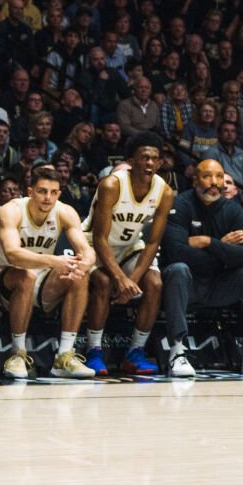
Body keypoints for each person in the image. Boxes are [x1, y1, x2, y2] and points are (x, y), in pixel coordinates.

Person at [161, 158, 243, 378]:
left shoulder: (233, 210)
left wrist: (208, 242)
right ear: (195, 179)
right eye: (207, 176)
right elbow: (176, 252)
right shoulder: (180, 204)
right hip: (189, 284)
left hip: (220, 284)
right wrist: (224, 251)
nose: (214, 182)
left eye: (219, 177)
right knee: (177, 268)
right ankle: (177, 352)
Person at [0, 164, 97, 380]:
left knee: (79, 273)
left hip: (41, 279)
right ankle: (18, 354)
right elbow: (13, 254)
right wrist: (53, 261)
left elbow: (87, 251)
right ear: (30, 191)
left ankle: (64, 356)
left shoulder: (65, 212)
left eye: (54, 192)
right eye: (42, 191)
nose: (48, 198)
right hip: (0, 278)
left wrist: (84, 263)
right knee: (27, 275)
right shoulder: (12, 210)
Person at [81, 133, 172, 376]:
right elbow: (99, 239)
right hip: (94, 245)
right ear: (132, 161)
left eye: (155, 159)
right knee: (103, 280)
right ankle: (94, 351)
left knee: (154, 282)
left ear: (160, 163)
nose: (150, 163)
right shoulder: (112, 185)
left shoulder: (165, 192)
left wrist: (132, 281)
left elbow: (153, 241)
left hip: (131, 246)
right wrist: (121, 279)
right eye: (144, 158)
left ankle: (136, 352)